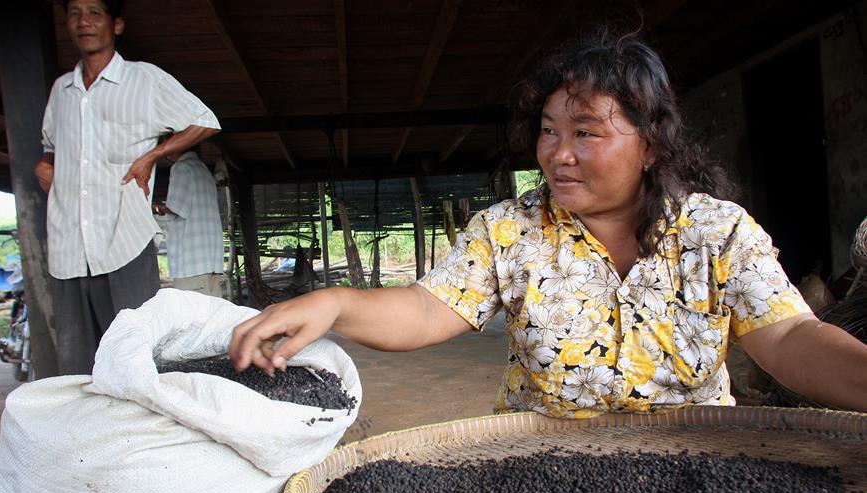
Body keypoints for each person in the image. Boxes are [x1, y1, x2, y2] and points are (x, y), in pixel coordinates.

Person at [229, 32, 867, 415]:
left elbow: (786, 340)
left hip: (694, 463)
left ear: (650, 144)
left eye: (586, 133)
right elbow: (428, 311)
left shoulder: (716, 233)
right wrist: (336, 303)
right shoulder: (509, 231)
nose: (557, 154)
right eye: (548, 131)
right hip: (545, 468)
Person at [33, 0, 220, 374]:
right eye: (74, 14)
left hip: (123, 240)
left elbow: (204, 120)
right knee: (78, 365)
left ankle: (139, 429)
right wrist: (47, 165)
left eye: (94, 13)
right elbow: (51, 149)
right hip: (70, 247)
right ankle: (88, 432)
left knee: (134, 357)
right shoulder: (61, 92)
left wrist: (153, 154)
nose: (83, 21)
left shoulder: (143, 80)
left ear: (115, 25)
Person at [153, 146, 225, 298]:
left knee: (194, 317)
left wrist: (158, 207)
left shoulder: (181, 168)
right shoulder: (204, 171)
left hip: (191, 265)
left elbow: (176, 207)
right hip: (211, 261)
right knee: (214, 316)